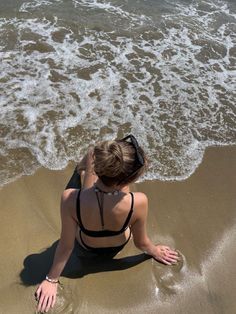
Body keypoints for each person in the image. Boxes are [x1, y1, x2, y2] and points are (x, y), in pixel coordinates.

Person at [35, 135, 179, 312]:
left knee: (90, 155)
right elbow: (141, 243)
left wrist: (51, 279)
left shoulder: (70, 199)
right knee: (120, 193)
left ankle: (81, 168)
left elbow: (66, 246)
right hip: (117, 245)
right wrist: (155, 251)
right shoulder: (139, 201)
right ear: (128, 180)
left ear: (99, 169)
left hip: (86, 244)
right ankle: (106, 180)